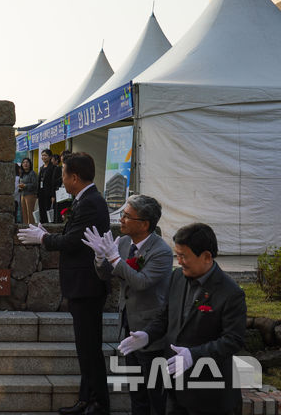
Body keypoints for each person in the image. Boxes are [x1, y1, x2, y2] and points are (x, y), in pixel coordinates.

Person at [118, 223, 247, 415]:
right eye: (177, 255)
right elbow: (165, 316)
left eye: (184, 256)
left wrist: (194, 355)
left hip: (210, 392)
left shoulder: (230, 293)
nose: (179, 261)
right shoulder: (178, 277)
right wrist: (147, 335)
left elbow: (233, 340)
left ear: (206, 257)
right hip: (174, 388)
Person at [18, 152, 110, 415]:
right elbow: (73, 235)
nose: (62, 180)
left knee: (90, 348)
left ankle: (99, 404)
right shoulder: (85, 200)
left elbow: (72, 242)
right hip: (81, 284)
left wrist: (43, 239)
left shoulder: (91, 202)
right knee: (85, 348)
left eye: (64, 175)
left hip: (87, 285)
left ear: (75, 177)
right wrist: (46, 234)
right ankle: (86, 400)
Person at [86, 195, 173, 415]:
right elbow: (107, 273)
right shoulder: (124, 243)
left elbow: (141, 282)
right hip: (127, 325)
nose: (121, 220)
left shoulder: (161, 251)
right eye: (122, 215)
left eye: (126, 216)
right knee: (136, 392)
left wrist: (115, 260)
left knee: (155, 395)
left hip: (151, 331)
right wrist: (99, 258)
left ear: (144, 224)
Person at [37, 149, 56, 223]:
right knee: (41, 210)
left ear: (50, 157)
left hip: (48, 193)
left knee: (48, 210)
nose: (43, 157)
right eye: (42, 155)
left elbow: (53, 182)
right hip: (41, 192)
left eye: (45, 155)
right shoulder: (41, 168)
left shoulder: (53, 168)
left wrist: (53, 195)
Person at [18, 157, 37, 224]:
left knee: (30, 212)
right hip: (23, 194)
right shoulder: (22, 174)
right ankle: (25, 227)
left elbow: (35, 185)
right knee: (24, 213)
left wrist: (25, 186)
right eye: (23, 162)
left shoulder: (32, 173)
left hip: (30, 195)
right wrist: (20, 187)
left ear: (30, 164)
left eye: (27, 162)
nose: (25, 164)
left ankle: (31, 228)